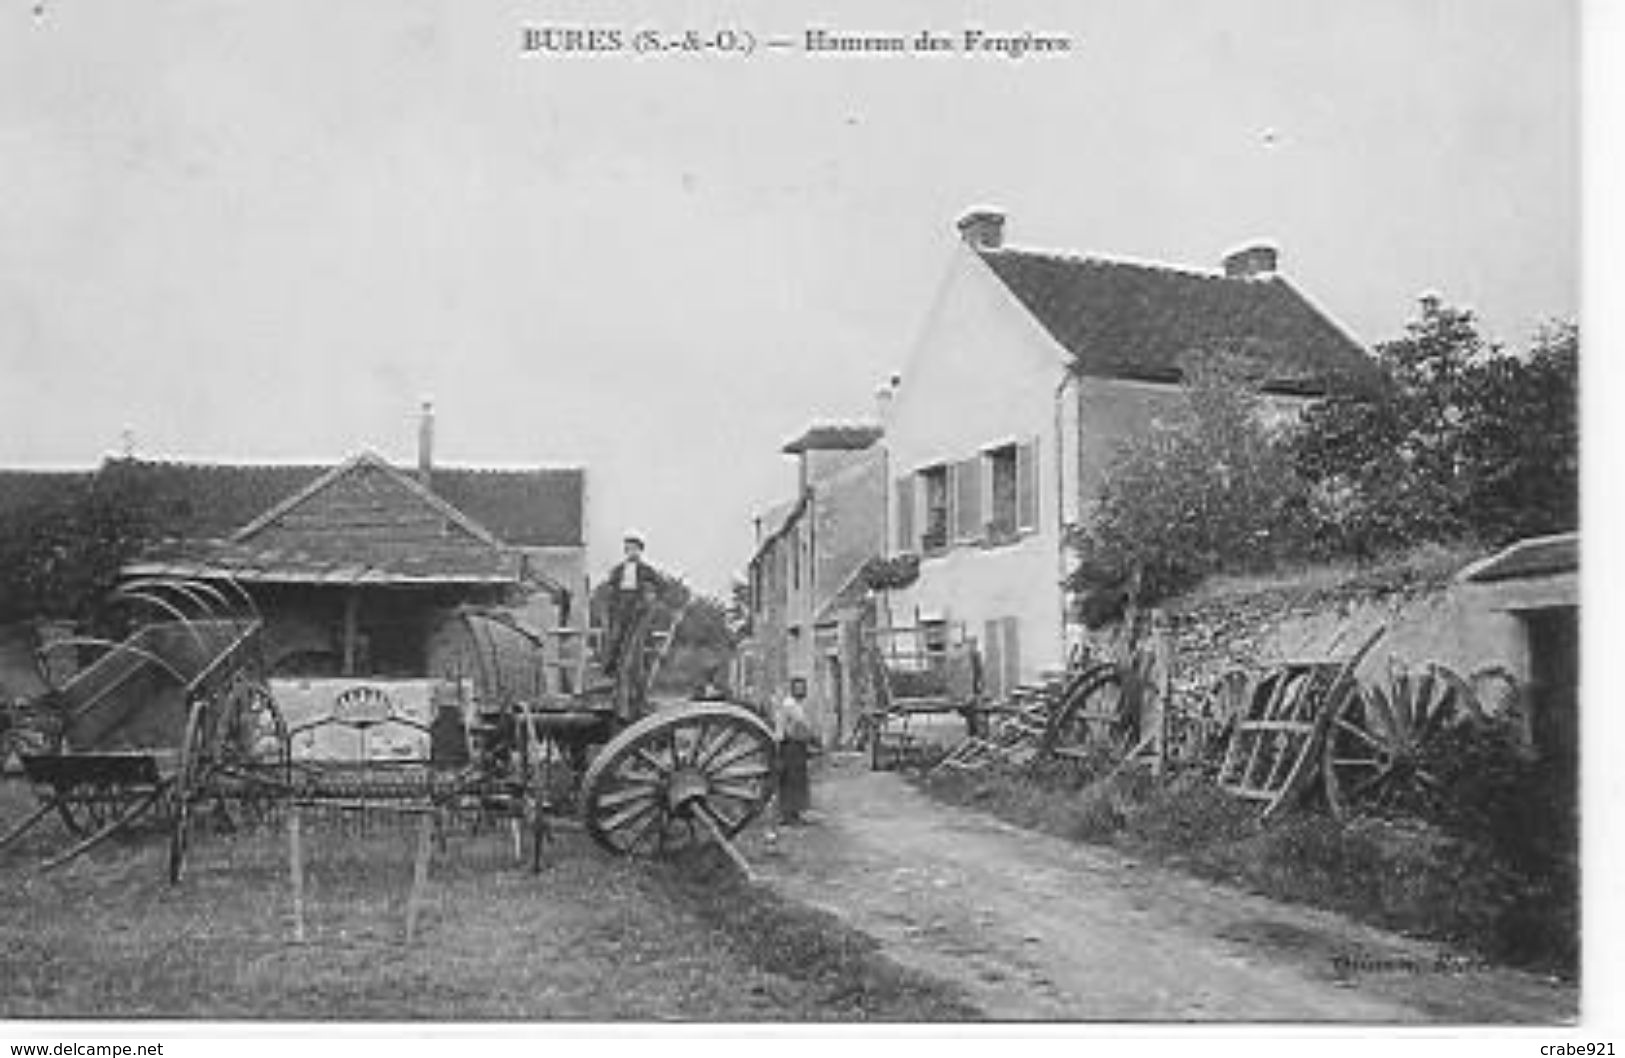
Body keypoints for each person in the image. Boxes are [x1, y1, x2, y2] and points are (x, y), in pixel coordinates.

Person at [598, 531, 672, 714]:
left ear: (640, 551)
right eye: (628, 548)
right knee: (615, 638)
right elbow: (609, 588)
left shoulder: (646, 570)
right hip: (621, 607)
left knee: (632, 649)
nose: (630, 552)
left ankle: (627, 678)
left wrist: (651, 599)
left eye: (634, 548)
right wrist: (610, 604)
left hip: (637, 608)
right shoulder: (618, 570)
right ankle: (609, 668)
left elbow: (662, 586)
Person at [774, 677, 815, 825]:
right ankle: (788, 816)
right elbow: (790, 724)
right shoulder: (789, 705)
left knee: (798, 781)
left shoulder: (797, 704)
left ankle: (795, 813)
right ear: (793, 690)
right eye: (798, 688)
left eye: (803, 688)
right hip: (790, 746)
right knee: (791, 780)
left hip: (798, 746)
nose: (802, 691)